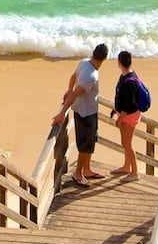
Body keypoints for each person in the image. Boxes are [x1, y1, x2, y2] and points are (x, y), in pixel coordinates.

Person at [51, 43, 108, 187]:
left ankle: (87, 169)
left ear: (93, 53)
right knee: (85, 146)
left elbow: (73, 77)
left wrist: (68, 89)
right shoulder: (92, 76)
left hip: (88, 111)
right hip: (85, 114)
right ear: (105, 58)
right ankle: (78, 173)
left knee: (90, 144)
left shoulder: (83, 63)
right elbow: (76, 93)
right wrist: (62, 112)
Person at [109, 51, 146, 183]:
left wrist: (119, 118)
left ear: (119, 62)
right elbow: (122, 98)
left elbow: (130, 105)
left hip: (129, 117)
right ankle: (126, 166)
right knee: (124, 143)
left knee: (127, 144)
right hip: (124, 114)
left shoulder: (130, 81)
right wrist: (116, 109)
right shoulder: (125, 76)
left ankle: (135, 172)